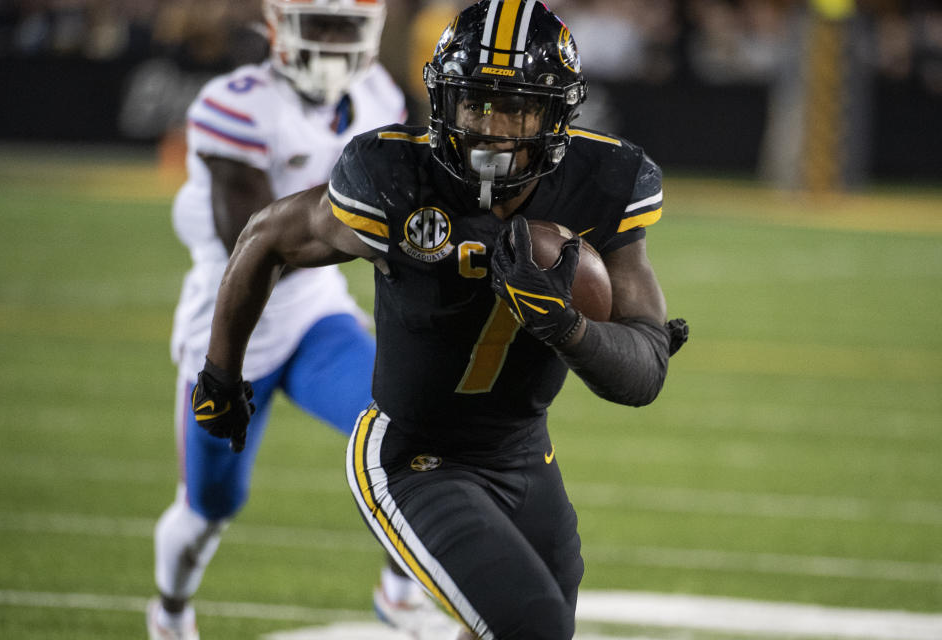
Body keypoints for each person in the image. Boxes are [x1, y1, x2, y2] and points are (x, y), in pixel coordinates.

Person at [192, 1, 689, 638]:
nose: (491, 129)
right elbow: (265, 236)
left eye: (515, 108)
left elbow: (644, 373)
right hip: (410, 453)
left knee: (539, 627)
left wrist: (566, 327)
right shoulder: (397, 177)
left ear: (556, 115)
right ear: (441, 102)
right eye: (474, 104)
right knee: (529, 625)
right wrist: (221, 375)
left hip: (523, 454)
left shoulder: (605, 183)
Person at [146, 1, 461, 639]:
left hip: (316, 314)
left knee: (419, 429)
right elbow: (260, 249)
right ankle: (170, 611)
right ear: (279, 25)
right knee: (210, 507)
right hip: (232, 332)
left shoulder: (376, 96)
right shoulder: (236, 105)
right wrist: (392, 235)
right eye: (319, 22)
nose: (332, 40)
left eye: (345, 25)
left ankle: (400, 590)